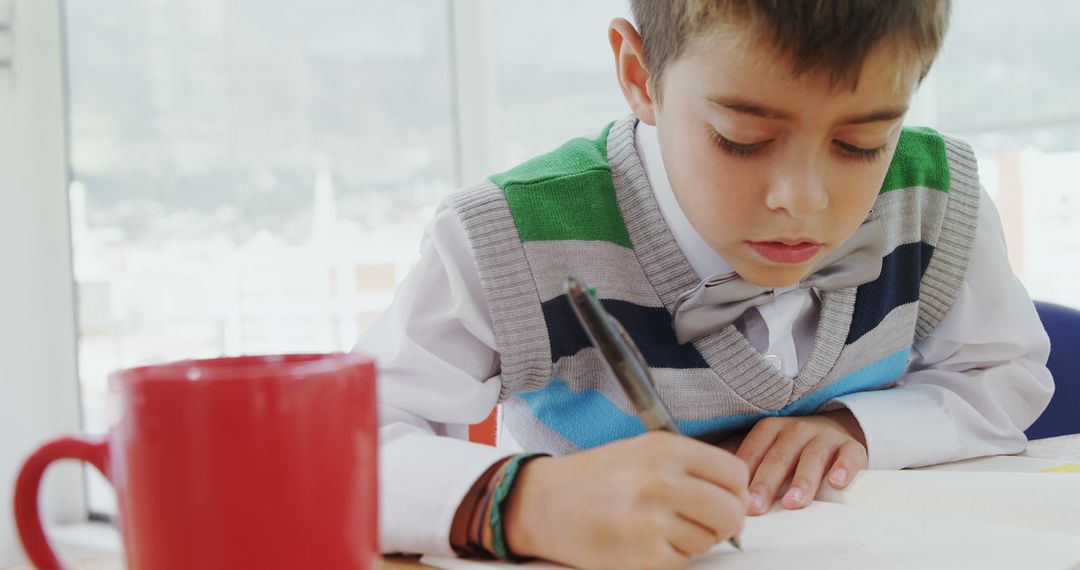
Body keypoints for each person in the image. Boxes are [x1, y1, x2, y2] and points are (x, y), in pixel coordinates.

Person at [360, 2, 1054, 568]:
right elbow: (347, 450)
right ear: (640, 75)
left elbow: (1006, 374)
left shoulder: (935, 195)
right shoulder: (510, 237)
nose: (802, 199)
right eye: (742, 138)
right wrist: (532, 504)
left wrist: (863, 428)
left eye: (862, 144)